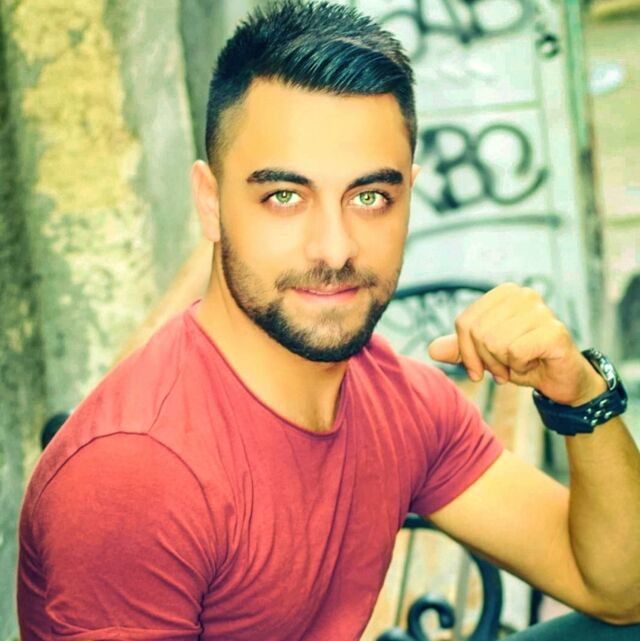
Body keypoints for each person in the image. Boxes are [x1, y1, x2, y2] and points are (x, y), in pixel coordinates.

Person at [16, 1, 640, 640]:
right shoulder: (138, 474)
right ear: (210, 202)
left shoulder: (398, 402)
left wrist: (580, 394)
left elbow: (620, 591)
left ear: (408, 197)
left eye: (370, 197)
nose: (335, 249)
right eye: (284, 197)